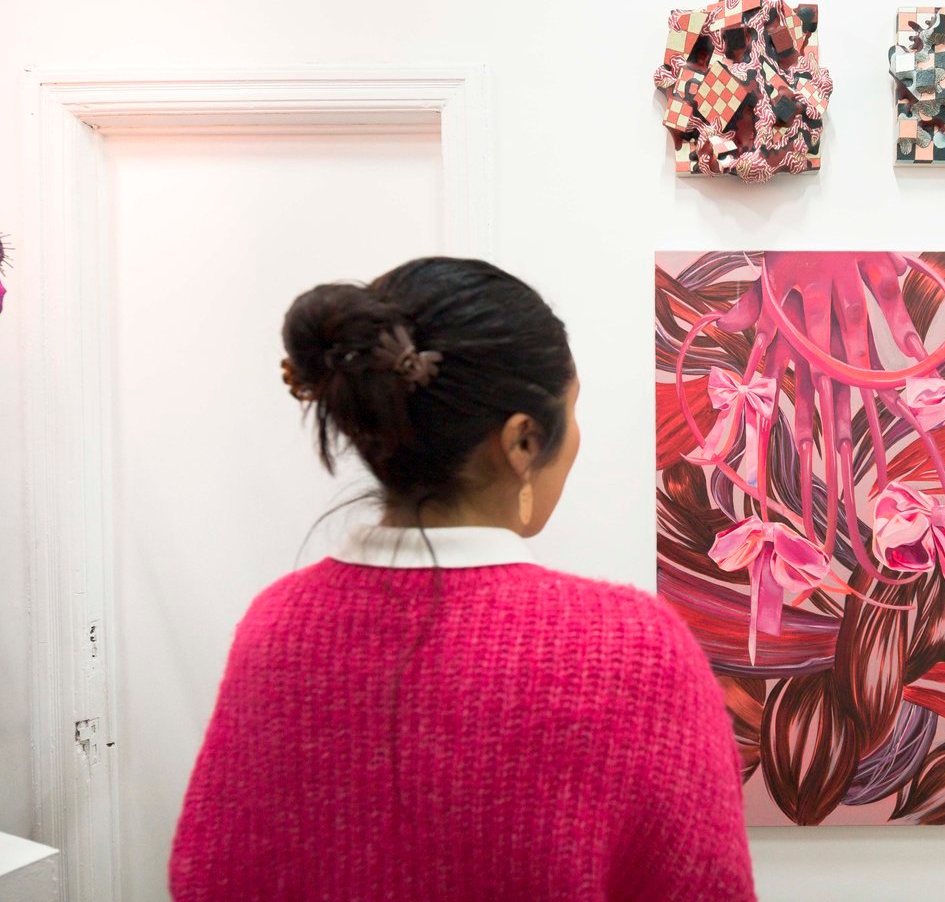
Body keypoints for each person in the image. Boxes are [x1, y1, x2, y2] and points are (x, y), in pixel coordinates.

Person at [169, 256, 756, 901]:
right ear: (523, 441)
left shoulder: (277, 627)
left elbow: (209, 876)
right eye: (573, 411)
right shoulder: (636, 650)